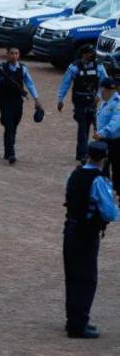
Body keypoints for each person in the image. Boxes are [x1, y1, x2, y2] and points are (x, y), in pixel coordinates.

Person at [62, 141, 118, 339]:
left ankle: (73, 320)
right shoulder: (99, 180)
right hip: (86, 233)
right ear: (103, 159)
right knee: (86, 278)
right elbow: (110, 212)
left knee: (72, 276)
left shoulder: (75, 174)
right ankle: (78, 325)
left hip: (70, 228)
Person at [0, 47, 43, 165]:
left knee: (14, 124)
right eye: (12, 53)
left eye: (16, 53)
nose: (14, 56)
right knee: (9, 126)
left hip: (18, 101)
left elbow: (30, 84)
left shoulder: (23, 69)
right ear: (7, 54)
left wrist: (36, 99)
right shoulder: (0, 69)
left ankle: (7, 150)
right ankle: (11, 153)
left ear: (19, 55)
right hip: (4, 101)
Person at [58, 46, 107, 161]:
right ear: (83, 54)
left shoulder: (98, 67)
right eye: (89, 53)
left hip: (92, 101)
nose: (92, 55)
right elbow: (65, 83)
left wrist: (99, 96)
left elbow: (104, 83)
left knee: (90, 125)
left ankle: (86, 152)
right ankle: (83, 154)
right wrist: (60, 99)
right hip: (79, 100)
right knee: (82, 126)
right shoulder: (74, 67)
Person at [94, 78, 120, 191]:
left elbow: (116, 122)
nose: (100, 92)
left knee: (117, 169)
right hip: (103, 140)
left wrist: (102, 132)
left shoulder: (117, 104)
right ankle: (105, 190)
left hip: (115, 142)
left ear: (108, 90)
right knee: (102, 168)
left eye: (102, 90)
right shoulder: (104, 102)